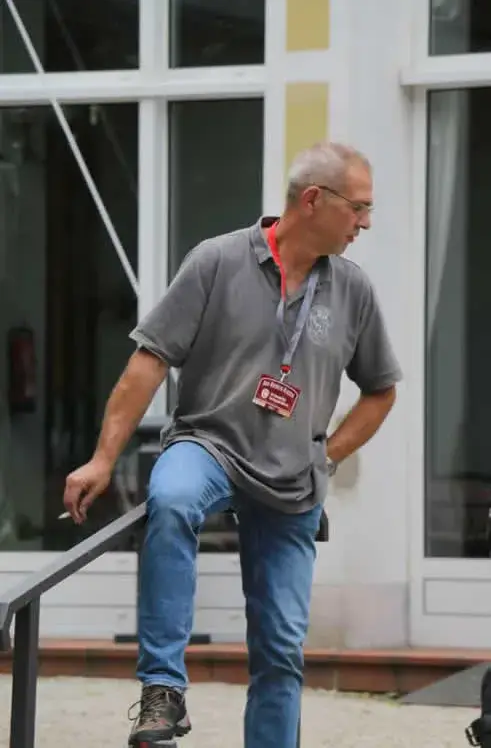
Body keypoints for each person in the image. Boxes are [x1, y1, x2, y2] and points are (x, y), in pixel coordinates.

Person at [63, 141, 402, 748]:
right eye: (358, 208)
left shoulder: (352, 289)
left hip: (293, 477)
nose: (366, 223)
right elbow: (148, 362)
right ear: (313, 200)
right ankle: (162, 688)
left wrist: (326, 455)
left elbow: (381, 391)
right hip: (209, 443)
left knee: (281, 649)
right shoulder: (217, 261)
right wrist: (102, 459)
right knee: (172, 498)